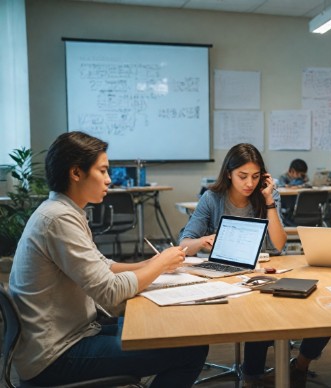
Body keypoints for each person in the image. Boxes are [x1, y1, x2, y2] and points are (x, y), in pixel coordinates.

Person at [8, 131, 208, 387]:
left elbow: (104, 266)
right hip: (55, 355)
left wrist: (154, 265)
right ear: (76, 172)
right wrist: (159, 264)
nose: (109, 179)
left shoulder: (63, 211)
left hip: (69, 335)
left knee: (163, 331)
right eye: (102, 171)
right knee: (190, 350)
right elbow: (110, 292)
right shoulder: (58, 219)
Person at [179, 143, 305, 387]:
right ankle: (249, 371)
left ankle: (252, 374)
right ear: (229, 173)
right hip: (225, 271)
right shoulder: (212, 198)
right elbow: (184, 243)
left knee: (263, 306)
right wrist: (202, 240)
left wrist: (269, 199)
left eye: (256, 177)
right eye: (242, 176)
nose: (249, 183)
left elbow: (278, 245)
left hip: (260, 270)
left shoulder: (267, 195)